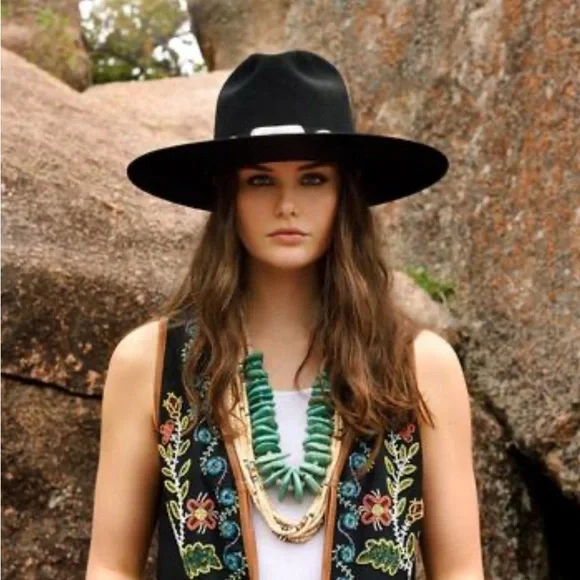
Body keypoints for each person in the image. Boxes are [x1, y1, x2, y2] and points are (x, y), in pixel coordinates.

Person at [86, 50, 484, 579]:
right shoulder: (151, 363)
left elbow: (460, 571)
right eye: (260, 180)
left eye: (313, 179)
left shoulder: (419, 366)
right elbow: (111, 566)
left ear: (345, 193)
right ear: (228, 194)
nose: (287, 205)